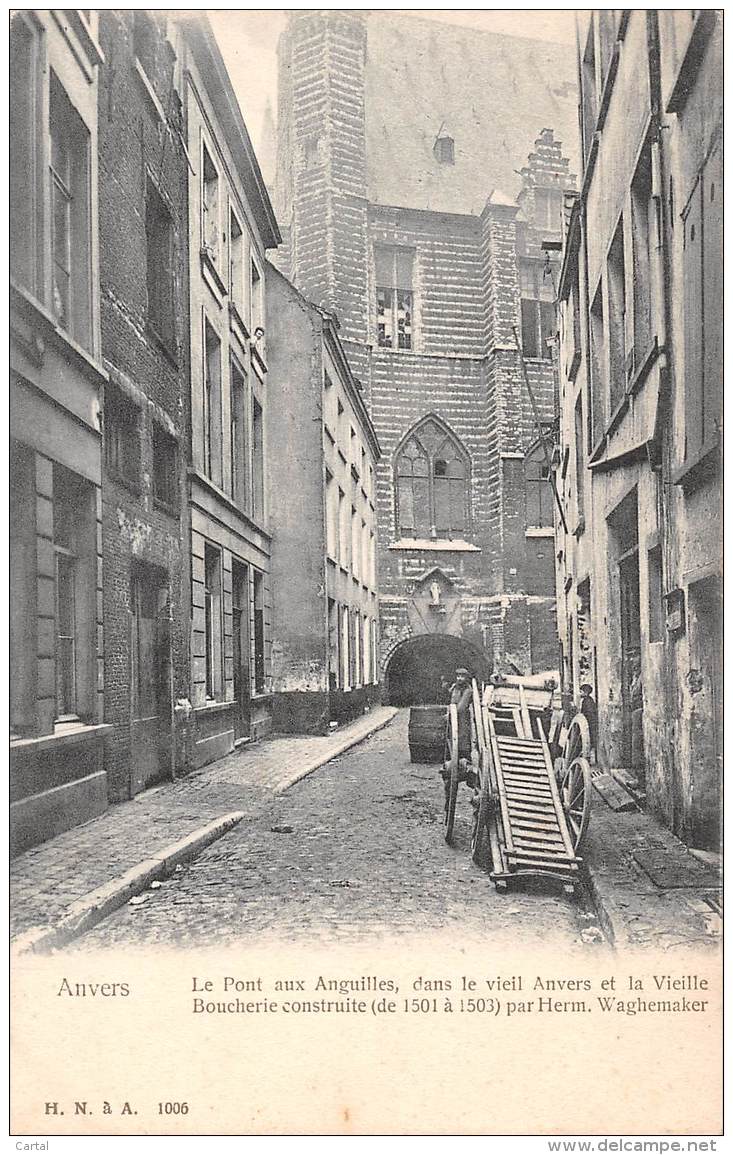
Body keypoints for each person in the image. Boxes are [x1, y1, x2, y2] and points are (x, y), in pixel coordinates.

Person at [579, 683, 598, 761]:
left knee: (590, 740)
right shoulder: (588, 700)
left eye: (582, 692)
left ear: (586, 692)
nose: (580, 693)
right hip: (589, 723)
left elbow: (589, 714)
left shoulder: (587, 701)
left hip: (589, 724)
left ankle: (588, 757)